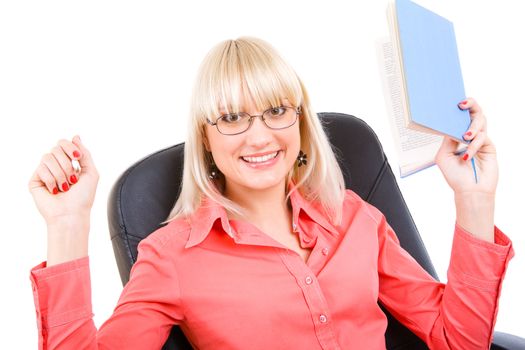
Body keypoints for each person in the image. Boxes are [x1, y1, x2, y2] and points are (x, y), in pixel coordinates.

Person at [28, 37, 514, 349]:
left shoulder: (352, 216)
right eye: (233, 118)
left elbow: (457, 339)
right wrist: (67, 227)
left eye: (278, 110)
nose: (260, 137)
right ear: (205, 138)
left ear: (300, 122)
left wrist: (474, 200)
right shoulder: (171, 256)